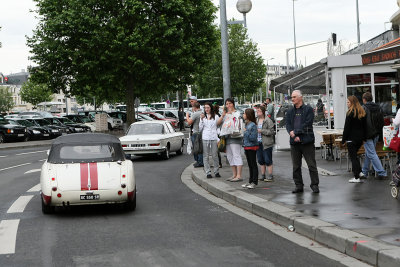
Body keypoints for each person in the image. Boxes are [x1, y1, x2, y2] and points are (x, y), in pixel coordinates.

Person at [285, 90, 320, 193]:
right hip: (294, 142)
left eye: (294, 97)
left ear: (300, 97)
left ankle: (314, 185)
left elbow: (307, 124)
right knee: (296, 166)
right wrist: (291, 133)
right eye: (292, 97)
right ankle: (298, 185)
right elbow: (288, 124)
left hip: (307, 141)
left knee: (311, 165)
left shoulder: (308, 109)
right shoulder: (290, 111)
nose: (292, 99)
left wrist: (296, 133)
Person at [361, 92, 387, 179]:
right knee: (369, 153)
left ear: (364, 99)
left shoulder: (363, 108)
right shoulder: (378, 107)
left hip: (367, 135)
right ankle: (364, 171)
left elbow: (362, 123)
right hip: (376, 134)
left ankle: (381, 172)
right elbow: (382, 121)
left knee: (371, 153)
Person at [217, 98, 243, 182]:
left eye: (230, 103)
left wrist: (232, 114)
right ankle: (234, 174)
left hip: (235, 137)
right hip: (226, 138)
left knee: (236, 155)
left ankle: (239, 175)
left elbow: (239, 123)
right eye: (227, 104)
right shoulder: (225, 114)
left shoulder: (237, 113)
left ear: (233, 104)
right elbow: (217, 124)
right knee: (230, 156)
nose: (228, 105)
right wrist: (223, 115)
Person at [342, 96, 366, 183]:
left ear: (352, 103)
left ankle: (356, 177)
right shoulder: (361, 112)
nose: (347, 104)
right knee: (355, 156)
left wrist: (343, 139)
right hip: (360, 139)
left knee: (353, 158)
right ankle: (360, 172)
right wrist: (364, 138)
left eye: (348, 102)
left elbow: (346, 128)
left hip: (351, 139)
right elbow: (364, 127)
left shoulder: (349, 113)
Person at [199, 102, 220, 178]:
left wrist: (218, 137)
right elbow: (200, 128)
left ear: (211, 108)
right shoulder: (203, 117)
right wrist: (201, 120)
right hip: (205, 138)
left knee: (215, 155)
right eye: (205, 108)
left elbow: (217, 127)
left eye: (208, 107)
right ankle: (208, 172)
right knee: (206, 156)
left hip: (213, 137)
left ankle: (216, 171)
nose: (206, 109)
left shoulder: (216, 116)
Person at [256, 105, 275, 182]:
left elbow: (272, 132)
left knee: (268, 160)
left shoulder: (268, 120)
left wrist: (262, 131)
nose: (258, 112)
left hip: (266, 143)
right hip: (258, 142)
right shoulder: (256, 120)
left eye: (259, 111)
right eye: (257, 111)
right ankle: (263, 175)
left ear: (263, 112)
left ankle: (270, 175)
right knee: (260, 160)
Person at [241, 108, 259, 189]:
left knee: (253, 164)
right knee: (249, 165)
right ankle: (250, 181)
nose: (243, 115)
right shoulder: (247, 124)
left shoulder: (253, 125)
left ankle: (254, 181)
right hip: (247, 146)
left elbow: (253, 138)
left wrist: (246, 132)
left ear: (248, 115)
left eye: (244, 113)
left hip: (252, 147)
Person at [186, 101, 203, 168]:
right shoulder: (202, 112)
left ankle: (199, 162)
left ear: (194, 107)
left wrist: (187, 116)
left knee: (196, 148)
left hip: (196, 132)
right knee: (200, 148)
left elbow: (189, 122)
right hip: (201, 132)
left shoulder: (196, 114)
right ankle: (200, 161)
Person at [213, 104, 223, 168]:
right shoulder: (218, 115)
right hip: (218, 133)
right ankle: (218, 163)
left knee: (216, 150)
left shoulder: (216, 116)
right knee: (216, 150)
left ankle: (219, 163)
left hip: (217, 134)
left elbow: (216, 125)